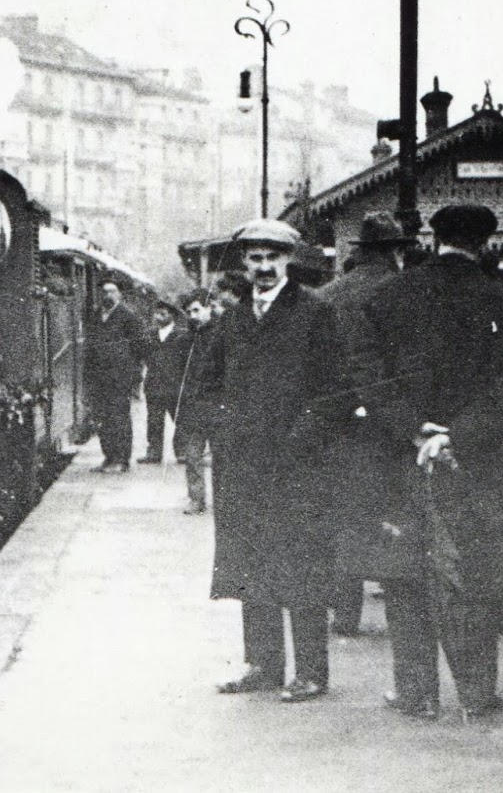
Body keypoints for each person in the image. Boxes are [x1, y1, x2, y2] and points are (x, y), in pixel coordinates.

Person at [356, 203, 503, 721]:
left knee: (404, 571)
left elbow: (370, 376)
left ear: (433, 240)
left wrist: (415, 428)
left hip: (402, 453)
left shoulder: (388, 296)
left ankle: (415, 693)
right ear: (485, 244)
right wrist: (457, 434)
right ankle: (478, 694)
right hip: (474, 459)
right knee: (472, 570)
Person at [197, 219, 345, 703]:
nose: (263, 268)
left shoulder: (314, 312)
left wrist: (300, 439)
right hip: (242, 464)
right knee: (251, 563)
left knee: (300, 564)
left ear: (289, 261)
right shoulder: (235, 317)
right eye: (255, 259)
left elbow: (334, 390)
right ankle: (263, 664)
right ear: (244, 263)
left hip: (296, 464)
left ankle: (312, 672)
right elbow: (209, 383)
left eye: (272, 258)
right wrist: (221, 427)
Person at [321, 212, 412, 638]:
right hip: (393, 421)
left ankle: (345, 613)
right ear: (396, 251)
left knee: (345, 514)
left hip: (339, 422)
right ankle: (404, 610)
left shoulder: (328, 295)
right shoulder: (406, 292)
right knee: (397, 512)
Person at [84, 279, 145, 474]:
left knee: (119, 417)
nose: (107, 295)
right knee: (102, 417)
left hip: (120, 377)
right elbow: (90, 346)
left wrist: (134, 377)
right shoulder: (95, 316)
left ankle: (122, 459)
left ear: (119, 294)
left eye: (112, 291)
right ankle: (108, 457)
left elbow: (138, 349)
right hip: (99, 376)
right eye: (104, 292)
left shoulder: (127, 316)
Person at [173, 289, 215, 510]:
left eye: (197, 310)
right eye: (189, 312)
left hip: (218, 407)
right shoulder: (183, 341)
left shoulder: (222, 337)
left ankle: (229, 501)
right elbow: (177, 376)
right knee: (192, 456)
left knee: (225, 460)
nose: (193, 316)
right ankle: (196, 499)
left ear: (209, 309)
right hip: (193, 408)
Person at [138, 301, 188, 465]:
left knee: (180, 419)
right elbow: (143, 355)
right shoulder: (149, 334)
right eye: (157, 313)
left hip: (175, 385)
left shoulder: (182, 335)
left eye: (163, 314)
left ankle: (182, 451)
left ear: (172, 315)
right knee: (154, 420)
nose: (159, 317)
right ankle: (154, 452)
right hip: (154, 384)